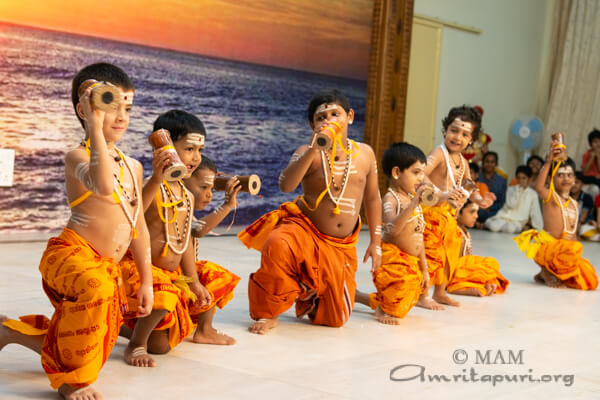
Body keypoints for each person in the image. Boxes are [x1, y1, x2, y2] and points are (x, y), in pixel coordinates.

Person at [1, 63, 153, 400]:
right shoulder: (76, 157)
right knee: (98, 289)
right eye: (110, 106)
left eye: (127, 108)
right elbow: (102, 185)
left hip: (105, 265)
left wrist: (145, 281)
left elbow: (138, 225)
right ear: (84, 110)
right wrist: (95, 128)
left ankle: (9, 332)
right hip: (71, 256)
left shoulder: (134, 166)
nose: (121, 116)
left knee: (87, 339)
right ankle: (70, 380)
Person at [238, 89, 382, 334]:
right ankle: (267, 313)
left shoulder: (365, 153)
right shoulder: (305, 152)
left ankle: (314, 289)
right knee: (277, 242)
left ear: (349, 117)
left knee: (334, 319)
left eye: (335, 114)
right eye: (320, 118)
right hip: (304, 230)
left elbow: (372, 197)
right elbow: (286, 186)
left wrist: (376, 242)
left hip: (340, 244)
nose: (328, 121)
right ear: (312, 125)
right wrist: (315, 149)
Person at [119, 110, 240, 368]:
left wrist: (194, 281)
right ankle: (135, 343)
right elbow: (134, 216)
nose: (196, 157)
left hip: (173, 275)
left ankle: (203, 330)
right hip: (143, 273)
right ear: (164, 147)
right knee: (161, 320)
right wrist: (156, 178)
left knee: (212, 278)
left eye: (200, 150)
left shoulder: (186, 194)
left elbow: (185, 241)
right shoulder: (152, 185)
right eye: (189, 149)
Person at [423, 105, 496, 307]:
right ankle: (422, 295)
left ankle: (440, 292)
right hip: (431, 214)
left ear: (471, 140)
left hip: (449, 217)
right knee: (431, 255)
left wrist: (480, 199)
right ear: (445, 130)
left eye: (465, 134)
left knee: (450, 254)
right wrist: (441, 194)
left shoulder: (463, 161)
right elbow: (421, 174)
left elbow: (468, 184)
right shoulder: (439, 153)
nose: (458, 137)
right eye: (454, 131)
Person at [355, 143, 436, 324]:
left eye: (422, 173)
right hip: (393, 259)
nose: (421, 178)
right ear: (397, 172)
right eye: (416, 172)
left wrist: (424, 268)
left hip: (411, 260)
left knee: (411, 293)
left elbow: (419, 237)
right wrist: (413, 204)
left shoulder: (412, 200)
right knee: (399, 295)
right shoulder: (391, 199)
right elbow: (391, 228)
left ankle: (359, 296)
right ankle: (381, 309)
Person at [514, 140, 598, 290]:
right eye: (560, 175)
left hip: (565, 251)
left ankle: (549, 273)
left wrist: (573, 251)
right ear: (551, 178)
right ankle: (546, 271)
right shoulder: (551, 197)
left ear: (574, 179)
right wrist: (548, 162)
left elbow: (572, 231)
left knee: (589, 280)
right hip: (548, 249)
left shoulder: (574, 203)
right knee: (560, 260)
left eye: (569, 175)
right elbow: (539, 187)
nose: (566, 179)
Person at [447, 199, 509, 296]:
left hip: (465, 267)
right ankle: (460, 288)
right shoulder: (453, 232)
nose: (476, 216)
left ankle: (483, 282)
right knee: (483, 271)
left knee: (491, 262)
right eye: (472, 212)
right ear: (457, 213)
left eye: (476, 212)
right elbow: (449, 266)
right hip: (457, 272)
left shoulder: (464, 231)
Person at [485, 165, 543, 233]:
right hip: (504, 217)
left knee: (509, 228)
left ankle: (518, 228)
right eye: (518, 178)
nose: (521, 180)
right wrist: (517, 190)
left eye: (524, 178)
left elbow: (535, 212)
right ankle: (488, 223)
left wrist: (538, 228)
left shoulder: (533, 194)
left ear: (529, 179)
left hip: (518, 221)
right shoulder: (511, 189)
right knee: (493, 226)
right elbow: (511, 205)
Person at [477, 151, 507, 225]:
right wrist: (481, 206)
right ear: (483, 163)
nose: (489, 164)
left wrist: (489, 207)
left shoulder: (502, 180)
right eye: (487, 161)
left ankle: (481, 224)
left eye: (492, 162)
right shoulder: (477, 178)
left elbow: (502, 202)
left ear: (496, 164)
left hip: (493, 211)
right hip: (478, 209)